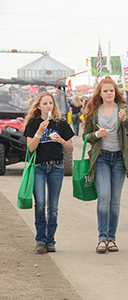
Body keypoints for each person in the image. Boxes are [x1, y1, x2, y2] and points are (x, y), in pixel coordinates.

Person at [82, 76, 128, 253]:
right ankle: (102, 238)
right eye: (105, 91)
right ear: (100, 93)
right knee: (104, 197)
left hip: (120, 158)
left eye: (111, 91)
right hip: (102, 158)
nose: (108, 93)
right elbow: (85, 136)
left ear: (115, 93)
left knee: (115, 200)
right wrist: (97, 134)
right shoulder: (94, 110)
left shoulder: (123, 108)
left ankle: (112, 238)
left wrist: (123, 120)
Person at [24, 92, 74, 254]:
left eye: (51, 103)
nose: (48, 106)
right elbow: (31, 148)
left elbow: (70, 148)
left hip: (56, 167)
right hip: (38, 167)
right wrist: (39, 131)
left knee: (53, 207)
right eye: (45, 103)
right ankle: (40, 239)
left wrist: (60, 140)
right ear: (38, 106)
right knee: (40, 204)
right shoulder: (33, 124)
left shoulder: (61, 123)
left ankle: (50, 240)